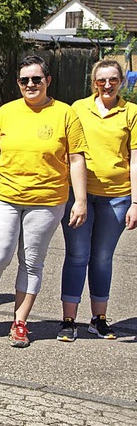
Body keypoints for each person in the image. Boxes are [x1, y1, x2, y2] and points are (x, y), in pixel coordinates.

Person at [0, 55, 88, 348]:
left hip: (47, 200)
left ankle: (20, 321)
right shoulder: (6, 113)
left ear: (47, 81)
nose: (30, 84)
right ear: (18, 83)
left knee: (32, 261)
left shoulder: (65, 114)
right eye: (24, 80)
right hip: (4, 195)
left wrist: (80, 200)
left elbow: (77, 158)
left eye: (36, 79)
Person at [57, 59, 137, 342]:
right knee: (77, 255)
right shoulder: (78, 108)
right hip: (78, 195)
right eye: (101, 80)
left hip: (117, 197)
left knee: (102, 258)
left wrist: (136, 203)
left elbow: (135, 159)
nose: (107, 84)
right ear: (94, 82)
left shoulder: (132, 112)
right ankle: (68, 320)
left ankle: (99, 319)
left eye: (113, 79)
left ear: (121, 81)